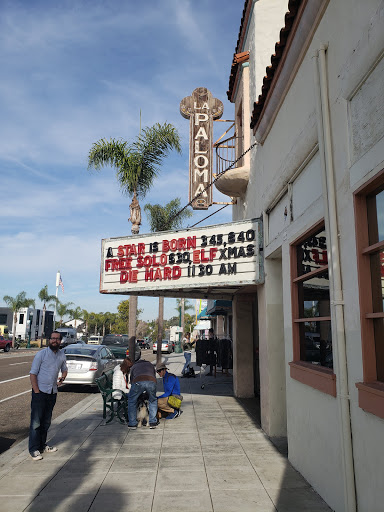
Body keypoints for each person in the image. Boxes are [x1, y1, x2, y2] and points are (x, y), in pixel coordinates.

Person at [28, 331, 68, 461]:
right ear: (49, 340)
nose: (54, 341)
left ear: (60, 341)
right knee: (36, 423)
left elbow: (64, 368)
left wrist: (61, 380)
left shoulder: (62, 355)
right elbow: (33, 374)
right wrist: (37, 391)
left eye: (57, 339)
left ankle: (42, 446)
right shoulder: (41, 355)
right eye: (52, 338)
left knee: (46, 422)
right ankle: (33, 449)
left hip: (52, 392)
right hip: (40, 392)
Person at [127, 359, 158, 429]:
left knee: (132, 400)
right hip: (151, 382)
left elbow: (131, 380)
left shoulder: (134, 366)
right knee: (153, 400)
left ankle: (132, 423)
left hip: (138, 382)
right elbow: (154, 375)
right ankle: (152, 422)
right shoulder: (150, 365)